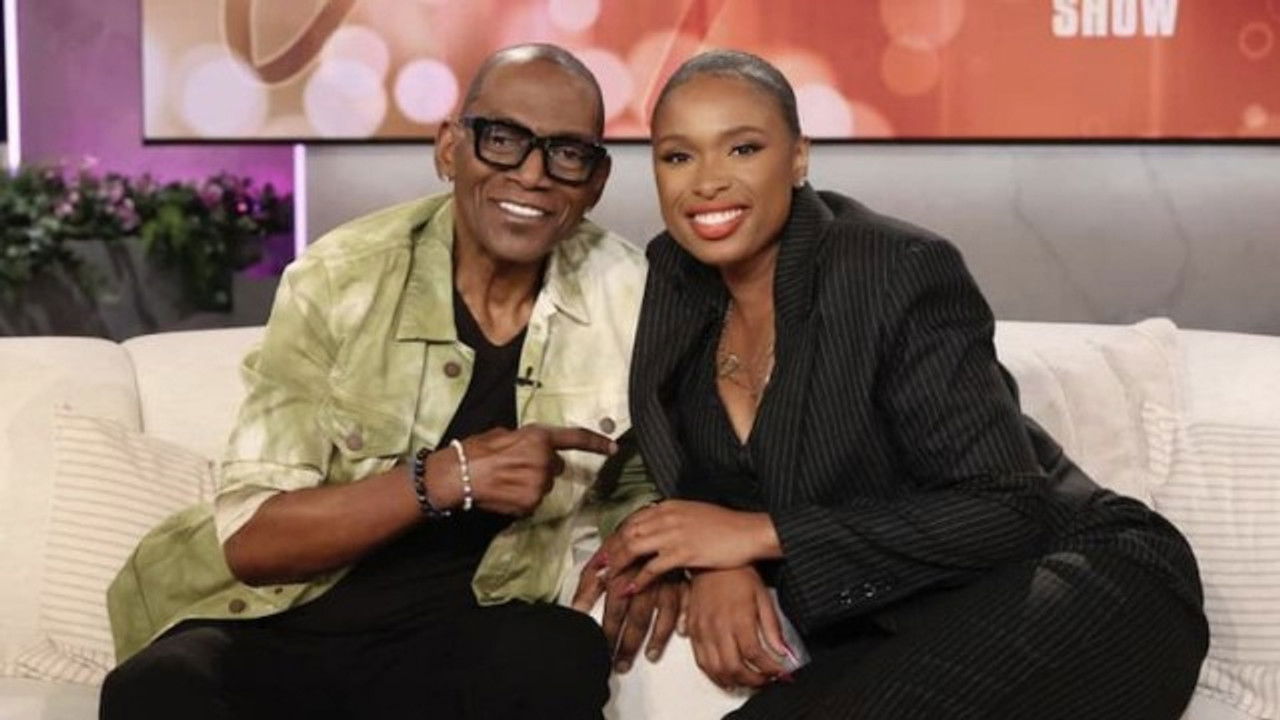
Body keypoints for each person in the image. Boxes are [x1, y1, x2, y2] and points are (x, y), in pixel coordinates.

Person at [574, 49, 1208, 719]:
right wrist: (715, 563)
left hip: (1078, 583)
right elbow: (689, 468)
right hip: (900, 623)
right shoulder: (673, 280)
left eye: (743, 148)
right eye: (678, 156)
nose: (707, 181)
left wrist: (760, 535)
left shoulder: (893, 270)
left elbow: (1008, 508)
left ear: (798, 157)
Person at [101, 43, 678, 720]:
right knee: (155, 691)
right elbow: (255, 540)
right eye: (502, 140)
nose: (532, 174)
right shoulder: (340, 278)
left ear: (597, 180)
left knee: (561, 654)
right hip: (285, 621)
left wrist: (656, 553)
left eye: (567, 153)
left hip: (461, 634)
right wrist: (446, 478)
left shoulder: (630, 296)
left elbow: (645, 475)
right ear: (449, 148)